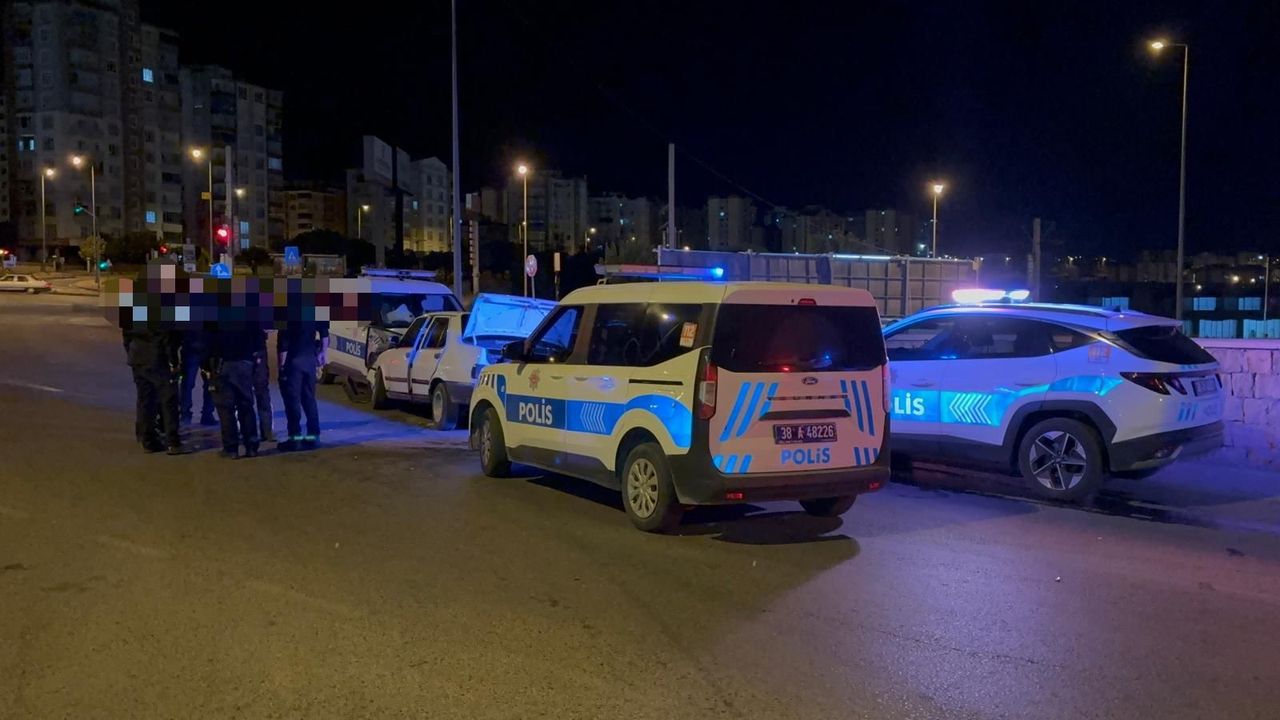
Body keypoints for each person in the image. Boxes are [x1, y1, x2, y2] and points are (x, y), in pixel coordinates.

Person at [122, 320, 185, 455]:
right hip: (158, 357)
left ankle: (147, 439)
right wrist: (173, 362)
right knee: (169, 399)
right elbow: (168, 337)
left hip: (137, 356)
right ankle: (172, 441)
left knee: (145, 399)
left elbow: (126, 334)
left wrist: (130, 352)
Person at [206, 323, 261, 458]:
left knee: (226, 408)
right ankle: (251, 445)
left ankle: (231, 448)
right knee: (246, 405)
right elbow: (257, 333)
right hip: (245, 360)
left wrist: (206, 366)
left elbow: (207, 339)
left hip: (223, 362)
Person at [277, 319, 329, 451]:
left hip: (293, 362)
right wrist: (323, 352)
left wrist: (281, 368)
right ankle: (313, 436)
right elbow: (324, 333)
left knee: (292, 401)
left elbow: (283, 345)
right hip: (309, 359)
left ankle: (295, 439)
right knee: (309, 398)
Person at [180, 326, 218, 426]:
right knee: (210, 383)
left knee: (187, 384)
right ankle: (207, 414)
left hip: (191, 345)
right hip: (206, 346)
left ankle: (185, 414)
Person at [253, 327, 276, 442]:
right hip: (257, 350)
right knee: (262, 392)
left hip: (242, 352)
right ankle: (266, 432)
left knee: (243, 395)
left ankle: (247, 433)